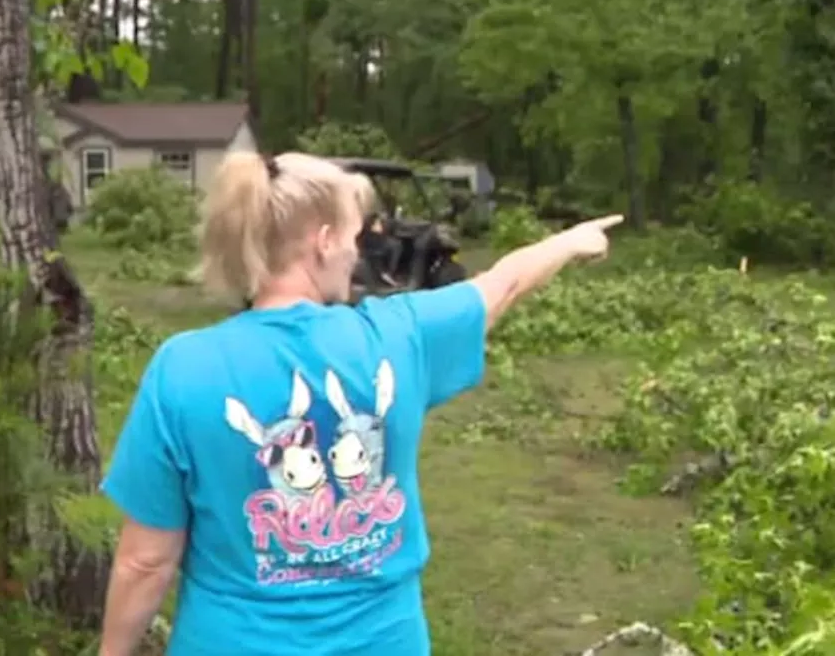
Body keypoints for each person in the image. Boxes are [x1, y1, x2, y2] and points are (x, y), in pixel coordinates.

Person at [97, 150, 622, 656]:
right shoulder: (397, 336)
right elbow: (502, 286)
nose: (356, 255)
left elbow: (146, 562)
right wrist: (570, 242)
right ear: (323, 241)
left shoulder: (183, 368)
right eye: (352, 237)